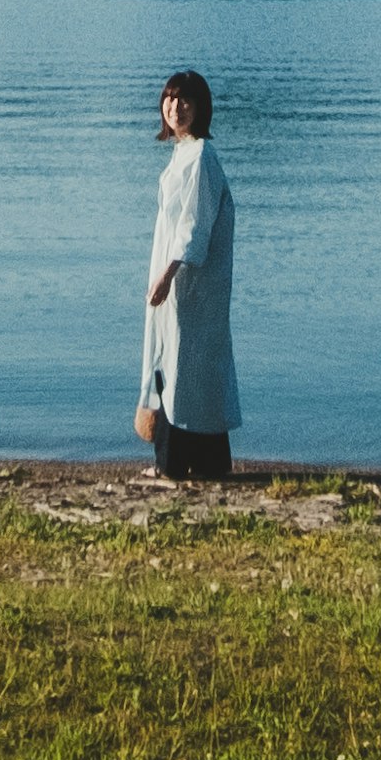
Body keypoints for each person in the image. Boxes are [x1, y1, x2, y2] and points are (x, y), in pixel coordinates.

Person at [135, 67, 239, 481]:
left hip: (191, 281)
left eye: (185, 101)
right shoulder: (182, 153)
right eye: (171, 99)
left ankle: (176, 463)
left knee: (188, 366)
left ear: (200, 109)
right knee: (182, 366)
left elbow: (195, 226)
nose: (176, 108)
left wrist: (167, 274)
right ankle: (195, 461)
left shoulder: (201, 158)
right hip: (178, 277)